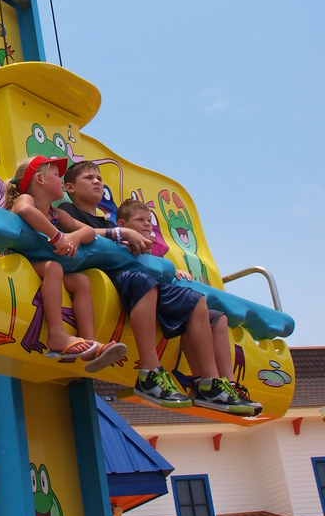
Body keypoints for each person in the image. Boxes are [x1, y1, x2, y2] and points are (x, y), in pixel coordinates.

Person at [60, 161, 258, 416]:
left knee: (196, 301)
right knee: (144, 282)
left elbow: (139, 255)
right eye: (89, 178)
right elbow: (79, 231)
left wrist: (166, 268)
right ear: (70, 187)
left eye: (99, 178)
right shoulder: (68, 210)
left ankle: (209, 383)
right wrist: (122, 234)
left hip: (140, 277)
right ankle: (150, 373)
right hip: (115, 278)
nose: (97, 181)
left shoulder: (107, 222)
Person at [115, 197, 262, 415]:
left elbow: (159, 270)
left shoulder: (152, 254)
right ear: (122, 224)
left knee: (212, 313)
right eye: (140, 220)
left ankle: (218, 384)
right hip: (139, 291)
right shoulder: (121, 243)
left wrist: (173, 271)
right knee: (190, 300)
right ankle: (165, 376)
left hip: (157, 293)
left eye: (149, 220)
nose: (147, 224)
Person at [4, 155, 126, 374]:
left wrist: (75, 237)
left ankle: (89, 343)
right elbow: (24, 211)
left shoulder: (56, 214)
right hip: (18, 262)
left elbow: (89, 231)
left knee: (81, 281)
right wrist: (57, 236)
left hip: (37, 265)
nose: (60, 180)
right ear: (40, 179)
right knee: (54, 267)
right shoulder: (27, 199)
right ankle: (56, 335)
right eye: (56, 175)